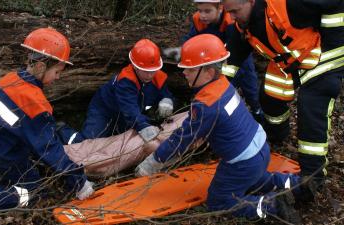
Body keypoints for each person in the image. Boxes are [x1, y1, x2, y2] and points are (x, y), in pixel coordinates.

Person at [135, 34, 315, 223]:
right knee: (255, 179)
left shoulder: (206, 105)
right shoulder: (223, 85)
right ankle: (297, 185)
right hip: (260, 148)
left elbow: (181, 139)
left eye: (189, 69)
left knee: (219, 201)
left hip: (243, 162)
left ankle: (271, 206)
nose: (184, 73)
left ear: (209, 72)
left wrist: (153, 162)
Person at [0, 28, 94, 209]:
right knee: (38, 193)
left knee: (6, 173)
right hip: (4, 153)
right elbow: (48, 148)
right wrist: (78, 181)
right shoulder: (35, 103)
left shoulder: (9, 79)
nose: (58, 77)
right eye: (57, 71)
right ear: (40, 67)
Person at [221, 0, 344, 188]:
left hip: (326, 55)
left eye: (235, 11)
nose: (231, 17)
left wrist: (331, 38)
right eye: (228, 12)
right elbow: (232, 60)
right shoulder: (245, 25)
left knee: (310, 106)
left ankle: (313, 177)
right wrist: (214, 94)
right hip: (295, 60)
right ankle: (277, 135)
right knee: (269, 96)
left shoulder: (288, 5)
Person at [164, 0, 263, 121]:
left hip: (236, 58)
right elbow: (190, 38)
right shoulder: (198, 20)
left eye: (207, 11)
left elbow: (235, 49)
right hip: (212, 60)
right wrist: (183, 50)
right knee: (210, 84)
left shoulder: (230, 21)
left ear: (220, 8)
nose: (202, 15)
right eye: (200, 10)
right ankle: (214, 113)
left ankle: (257, 113)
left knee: (248, 85)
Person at [69, 39, 174, 143]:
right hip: (104, 110)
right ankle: (63, 131)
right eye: (145, 71)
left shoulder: (158, 77)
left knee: (122, 142)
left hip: (125, 117)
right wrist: (144, 126)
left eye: (152, 71)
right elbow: (130, 110)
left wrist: (168, 100)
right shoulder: (126, 81)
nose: (150, 75)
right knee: (88, 142)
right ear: (135, 66)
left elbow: (165, 94)